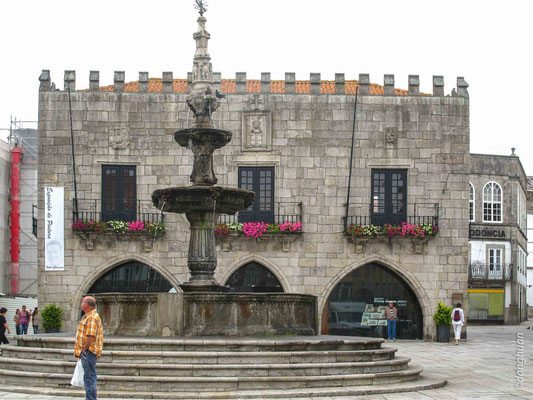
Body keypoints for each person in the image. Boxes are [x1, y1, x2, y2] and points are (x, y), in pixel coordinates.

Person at [74, 296, 103, 400]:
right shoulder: (89, 316)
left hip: (89, 352)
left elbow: (90, 337)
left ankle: (90, 398)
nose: (81, 304)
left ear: (87, 305)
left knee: (89, 378)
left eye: (82, 302)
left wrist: (84, 350)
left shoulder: (92, 317)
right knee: (88, 377)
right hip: (88, 352)